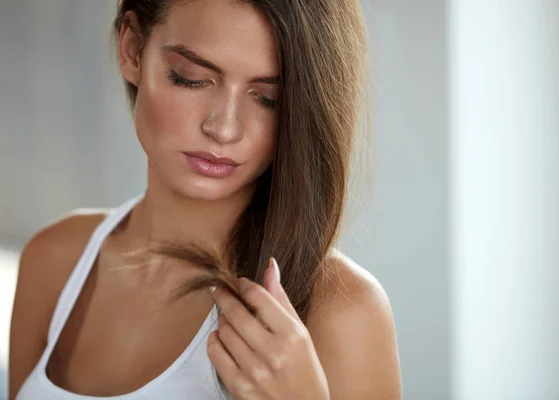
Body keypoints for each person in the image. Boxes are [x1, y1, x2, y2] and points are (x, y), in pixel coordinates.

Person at [9, 0, 403, 399]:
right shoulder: (55, 260)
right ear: (132, 50)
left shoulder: (342, 314)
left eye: (268, 99)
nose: (225, 128)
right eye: (191, 78)